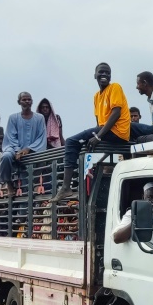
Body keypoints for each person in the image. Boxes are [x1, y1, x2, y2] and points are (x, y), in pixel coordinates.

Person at [50, 63, 131, 202]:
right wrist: (95, 136)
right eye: (101, 72)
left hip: (117, 132)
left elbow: (116, 113)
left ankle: (66, 187)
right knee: (84, 143)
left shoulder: (115, 87)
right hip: (106, 131)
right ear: (95, 75)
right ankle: (72, 181)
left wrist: (98, 137)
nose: (104, 75)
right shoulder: (96, 96)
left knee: (71, 141)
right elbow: (99, 122)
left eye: (107, 72)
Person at [0, 92, 47, 196]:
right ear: (19, 102)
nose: (27, 102)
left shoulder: (39, 118)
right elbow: (11, 136)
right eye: (24, 100)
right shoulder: (13, 118)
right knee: (6, 156)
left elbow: (41, 137)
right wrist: (18, 151)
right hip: (14, 148)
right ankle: (8, 183)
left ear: (32, 101)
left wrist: (28, 149)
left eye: (29, 99)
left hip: (33, 150)